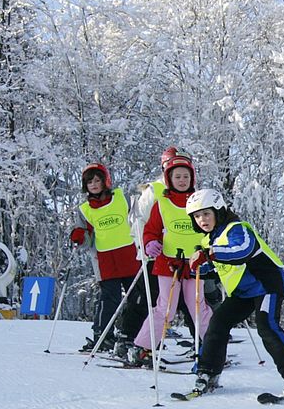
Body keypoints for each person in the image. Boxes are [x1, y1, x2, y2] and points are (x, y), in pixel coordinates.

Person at [184, 189, 284, 397]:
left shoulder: (236, 229)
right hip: (243, 292)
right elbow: (218, 268)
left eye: (206, 213)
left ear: (218, 211)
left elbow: (242, 250)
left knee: (267, 326)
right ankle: (207, 372)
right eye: (197, 216)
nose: (202, 220)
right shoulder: (209, 241)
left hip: (266, 283)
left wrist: (210, 254)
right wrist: (194, 267)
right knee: (218, 322)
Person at [127, 154, 213, 366]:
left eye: (186, 176)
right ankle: (143, 348)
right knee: (166, 308)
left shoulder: (199, 202)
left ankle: (213, 347)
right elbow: (151, 230)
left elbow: (212, 228)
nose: (182, 180)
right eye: (177, 177)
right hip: (168, 264)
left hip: (195, 263)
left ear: (192, 178)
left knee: (198, 307)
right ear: (169, 179)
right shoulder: (162, 203)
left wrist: (209, 250)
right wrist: (150, 244)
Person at [70, 163, 147, 355]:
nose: (94, 185)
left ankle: (135, 335)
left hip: (130, 255)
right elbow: (85, 238)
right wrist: (79, 235)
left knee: (137, 297)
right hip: (105, 260)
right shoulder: (85, 209)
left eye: (97, 180)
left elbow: (141, 216)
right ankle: (102, 336)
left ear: (106, 182)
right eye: (90, 182)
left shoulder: (122, 198)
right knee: (108, 299)